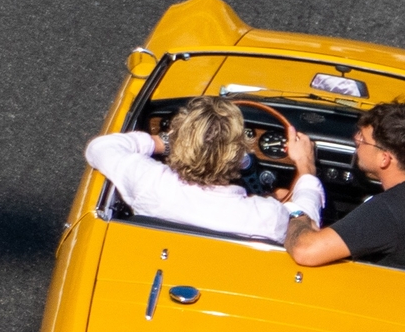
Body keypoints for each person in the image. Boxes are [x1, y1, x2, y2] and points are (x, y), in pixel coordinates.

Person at [84, 96, 319, 242]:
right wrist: (306, 166)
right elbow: (306, 226)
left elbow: (99, 147)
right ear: (237, 155)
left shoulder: (148, 182)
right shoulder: (267, 216)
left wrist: (165, 142)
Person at [283, 103, 405, 267]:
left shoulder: (389, 211)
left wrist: (296, 213)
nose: (356, 139)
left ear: (384, 159)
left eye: (364, 139)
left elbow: (305, 250)